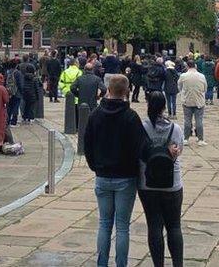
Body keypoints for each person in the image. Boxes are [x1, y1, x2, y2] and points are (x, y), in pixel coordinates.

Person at [83, 75, 151, 267]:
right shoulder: (130, 117)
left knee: (104, 224)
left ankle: (101, 263)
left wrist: (94, 166)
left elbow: (87, 144)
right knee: (122, 227)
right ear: (127, 91)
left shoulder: (95, 114)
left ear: (108, 90)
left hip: (103, 175)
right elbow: (142, 147)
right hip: (126, 177)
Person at [138, 92, 184, 267]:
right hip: (172, 183)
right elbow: (178, 152)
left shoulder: (141, 127)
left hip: (147, 182)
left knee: (154, 225)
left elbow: (138, 153)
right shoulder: (175, 129)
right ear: (165, 107)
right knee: (174, 226)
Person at [177, 59, 207, 146]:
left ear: (187, 66)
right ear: (195, 66)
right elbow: (205, 88)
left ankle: (186, 139)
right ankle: (200, 139)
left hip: (187, 100)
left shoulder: (183, 76)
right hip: (199, 101)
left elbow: (179, 86)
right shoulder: (202, 76)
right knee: (199, 120)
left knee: (187, 120)